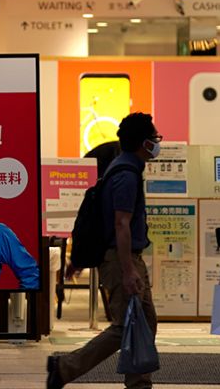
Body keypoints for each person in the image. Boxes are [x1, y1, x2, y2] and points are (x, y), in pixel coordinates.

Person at [48, 112, 159, 389]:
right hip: (122, 259)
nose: (157, 143)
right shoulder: (126, 175)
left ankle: (139, 381)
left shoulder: (123, 167)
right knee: (124, 326)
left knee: (145, 321)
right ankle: (64, 367)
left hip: (125, 258)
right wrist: (129, 270)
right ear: (143, 143)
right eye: (154, 138)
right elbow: (121, 225)